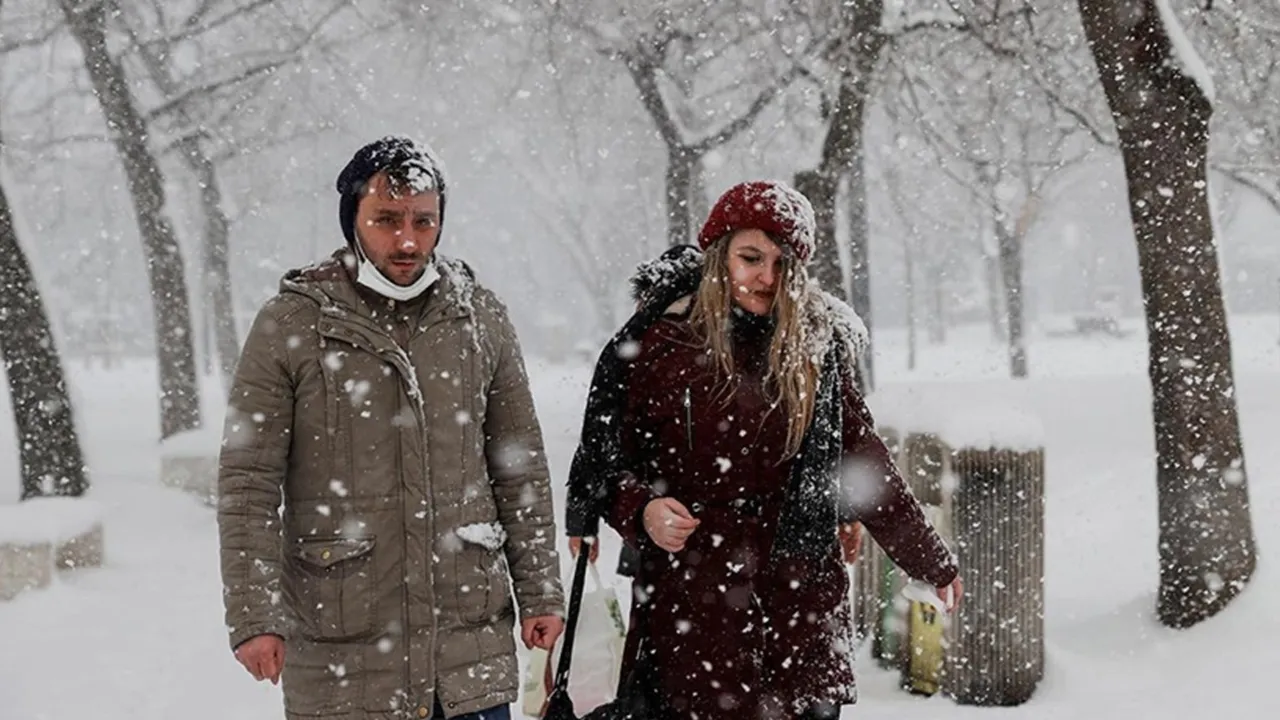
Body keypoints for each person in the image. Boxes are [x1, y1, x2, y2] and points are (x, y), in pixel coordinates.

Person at [567, 180, 962, 720]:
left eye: (782, 264)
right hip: (693, 604)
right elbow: (606, 465)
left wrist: (930, 560)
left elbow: (864, 461)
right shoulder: (663, 345)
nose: (766, 278)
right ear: (718, 255)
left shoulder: (816, 349)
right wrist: (643, 511)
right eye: (750, 258)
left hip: (798, 605)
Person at [216, 136, 565, 720]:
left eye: (423, 222)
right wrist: (255, 616)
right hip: (344, 652)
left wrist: (541, 589)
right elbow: (248, 482)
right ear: (352, 218)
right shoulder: (294, 324)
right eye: (386, 220)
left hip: (467, 651)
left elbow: (518, 465)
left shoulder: (479, 319)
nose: (407, 240)